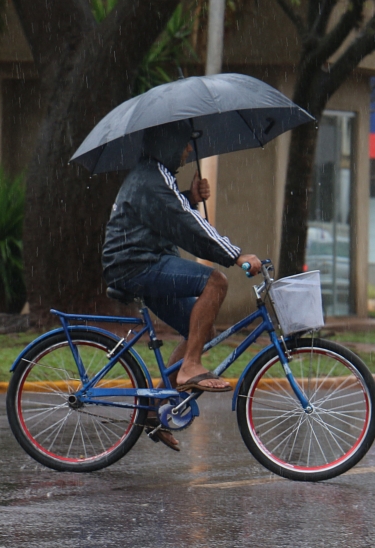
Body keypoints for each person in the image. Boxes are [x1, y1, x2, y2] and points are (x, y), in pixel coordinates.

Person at [102, 122, 262, 451]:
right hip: (136, 264)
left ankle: (152, 413)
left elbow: (168, 213)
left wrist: (190, 196)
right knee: (215, 281)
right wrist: (235, 255)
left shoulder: (153, 176)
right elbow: (187, 227)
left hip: (140, 260)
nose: (188, 151)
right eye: (185, 144)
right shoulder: (153, 177)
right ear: (169, 144)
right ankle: (189, 367)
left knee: (197, 327)